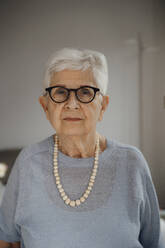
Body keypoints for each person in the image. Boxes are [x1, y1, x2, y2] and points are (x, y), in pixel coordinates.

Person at [0, 47, 164, 248]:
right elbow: (8, 241)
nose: (72, 104)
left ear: (103, 106)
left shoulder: (132, 162)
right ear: (45, 106)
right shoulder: (27, 162)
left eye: (85, 92)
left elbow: (153, 243)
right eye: (60, 92)